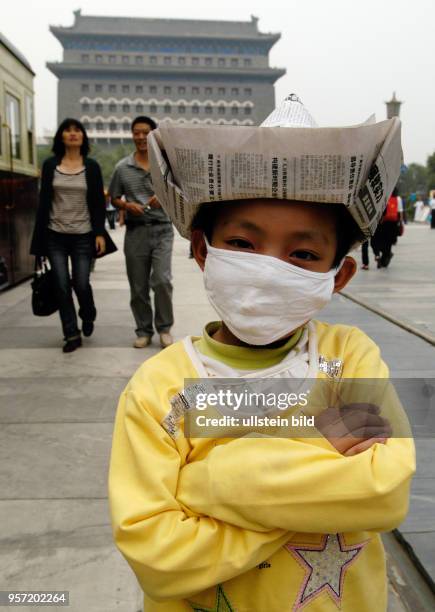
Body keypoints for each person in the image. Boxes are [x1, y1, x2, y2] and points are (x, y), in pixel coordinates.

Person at [109, 97, 415, 611]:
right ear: (204, 251)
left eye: (302, 254)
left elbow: (384, 491)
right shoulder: (160, 388)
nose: (268, 269)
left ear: (337, 276)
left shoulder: (347, 356)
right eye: (244, 244)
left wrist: (210, 480)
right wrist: (320, 467)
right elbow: (156, 556)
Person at [30, 118, 113, 353]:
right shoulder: (49, 166)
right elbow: (44, 203)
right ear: (61, 137)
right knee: (61, 285)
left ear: (83, 136)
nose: (73, 134)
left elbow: (98, 203)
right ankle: (71, 334)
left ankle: (87, 313)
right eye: (68, 130)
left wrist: (99, 234)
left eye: (77, 130)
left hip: (83, 236)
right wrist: (39, 243)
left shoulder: (92, 166)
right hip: (55, 235)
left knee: (81, 282)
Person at [109, 116, 174, 349]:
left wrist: (164, 198)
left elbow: (179, 192)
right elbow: (114, 198)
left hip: (163, 229)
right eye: (135, 132)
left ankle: (164, 328)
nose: (140, 137)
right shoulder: (122, 168)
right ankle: (143, 330)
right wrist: (127, 206)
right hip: (136, 232)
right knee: (138, 286)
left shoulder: (166, 166)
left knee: (162, 280)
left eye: (144, 132)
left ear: (153, 135)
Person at [371, 187, 403, 268]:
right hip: (392, 224)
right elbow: (400, 212)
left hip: (382, 223)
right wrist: (400, 222)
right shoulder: (397, 198)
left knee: (377, 241)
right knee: (388, 243)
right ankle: (385, 257)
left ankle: (379, 255)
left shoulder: (383, 196)